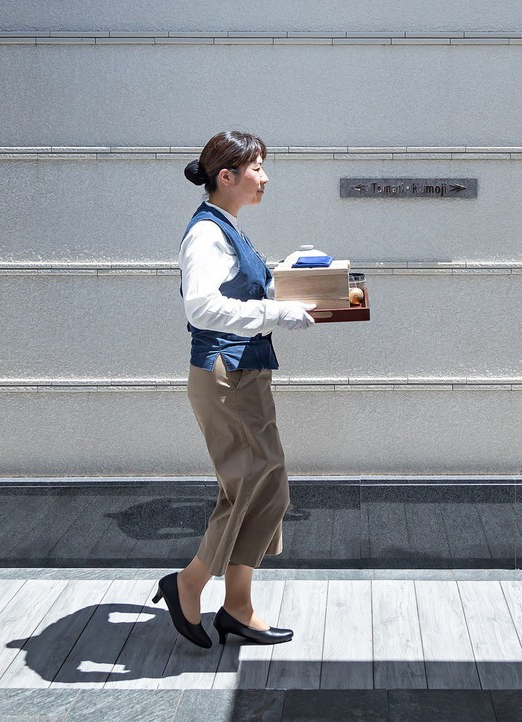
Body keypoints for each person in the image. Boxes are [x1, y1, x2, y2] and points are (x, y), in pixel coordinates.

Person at [152, 131, 315, 648]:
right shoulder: (207, 234)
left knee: (267, 489)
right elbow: (201, 308)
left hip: (244, 372)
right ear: (227, 177)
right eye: (258, 168)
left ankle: (237, 607)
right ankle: (189, 584)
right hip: (226, 374)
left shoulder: (228, 228)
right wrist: (276, 312)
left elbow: (235, 293)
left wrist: (286, 274)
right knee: (248, 488)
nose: (265, 178)